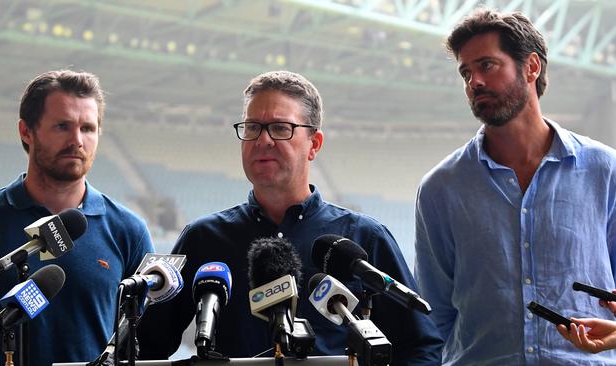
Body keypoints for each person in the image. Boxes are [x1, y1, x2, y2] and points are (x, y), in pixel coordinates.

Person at [137, 70, 443, 365]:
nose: (262, 140)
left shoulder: (364, 239)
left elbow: (420, 346)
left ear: (314, 144)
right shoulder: (203, 238)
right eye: (253, 127)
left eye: (281, 128)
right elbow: (146, 347)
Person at [414, 8, 616, 366]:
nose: (474, 81)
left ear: (531, 67)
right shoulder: (440, 189)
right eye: (466, 72)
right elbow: (433, 318)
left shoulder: (605, 170)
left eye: (487, 65)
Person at [0, 70, 154, 366]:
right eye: (62, 126)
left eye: (88, 128)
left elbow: (137, 342)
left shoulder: (129, 231)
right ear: (26, 131)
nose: (77, 141)